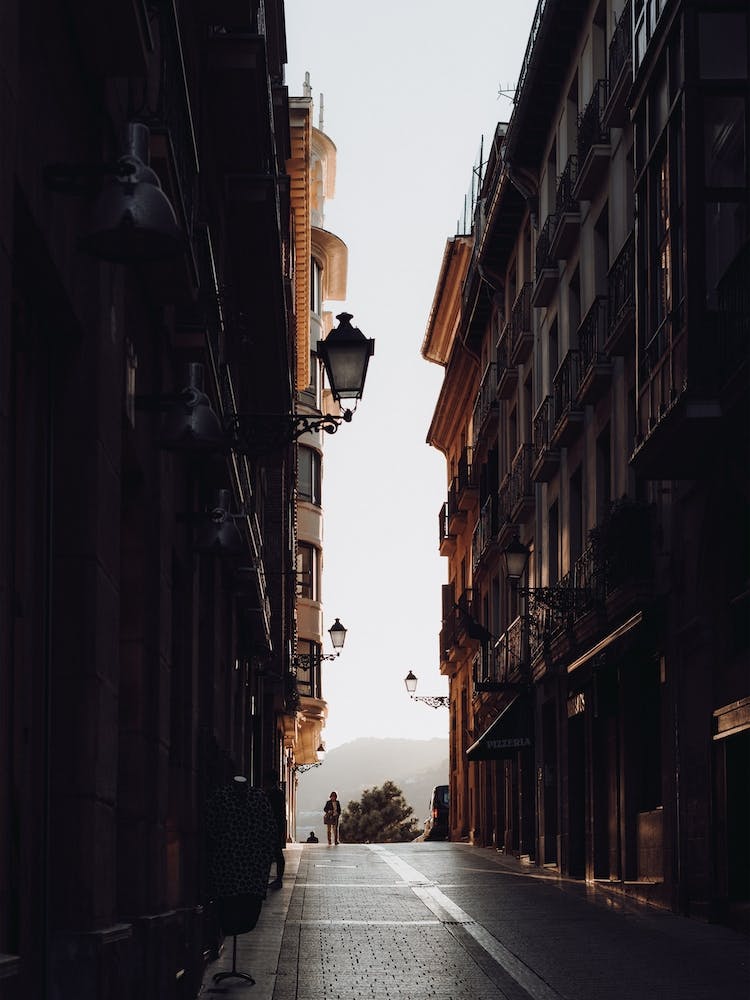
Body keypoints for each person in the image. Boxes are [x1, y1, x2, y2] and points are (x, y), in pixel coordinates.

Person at [265, 772, 286, 889]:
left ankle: (277, 879)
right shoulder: (279, 793)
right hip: (277, 826)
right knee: (277, 853)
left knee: (274, 853)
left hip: (271, 826)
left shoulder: (270, 793)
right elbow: (282, 813)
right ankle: (278, 879)